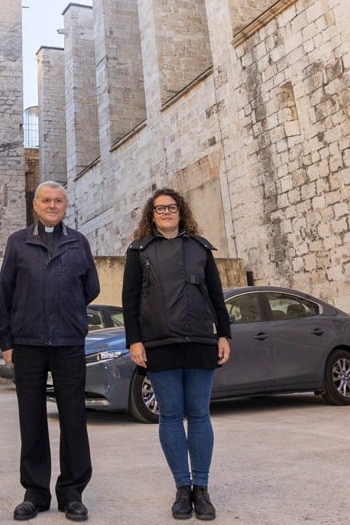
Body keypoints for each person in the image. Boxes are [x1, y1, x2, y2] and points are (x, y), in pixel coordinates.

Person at [0, 181, 100, 523]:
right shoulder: (18, 242)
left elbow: (90, 288)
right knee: (32, 420)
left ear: (66, 206)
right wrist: (5, 340)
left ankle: (72, 494)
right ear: (35, 205)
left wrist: (66, 311)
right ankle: (35, 494)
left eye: (58, 200)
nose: (52, 205)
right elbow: (5, 293)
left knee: (73, 419)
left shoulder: (78, 242)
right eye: (46, 200)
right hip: (28, 344)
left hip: (69, 343)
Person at [122, 188, 231, 522]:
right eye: (159, 209)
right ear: (151, 216)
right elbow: (130, 300)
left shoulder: (200, 249)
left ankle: (202, 488)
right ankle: (182, 489)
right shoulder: (139, 252)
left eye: (171, 207)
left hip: (199, 340)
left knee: (198, 414)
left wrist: (224, 334)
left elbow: (216, 293)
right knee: (170, 415)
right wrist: (134, 341)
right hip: (159, 343)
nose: (166, 212)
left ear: (181, 212)